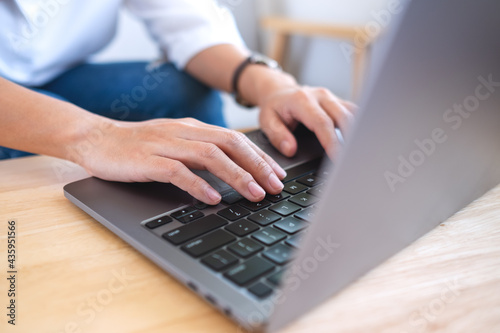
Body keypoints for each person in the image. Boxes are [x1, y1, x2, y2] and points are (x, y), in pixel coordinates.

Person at [0, 0, 355, 204]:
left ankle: (192, 216)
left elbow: (186, 19)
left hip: (59, 71)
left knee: (184, 92)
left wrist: (271, 85)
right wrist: (96, 136)